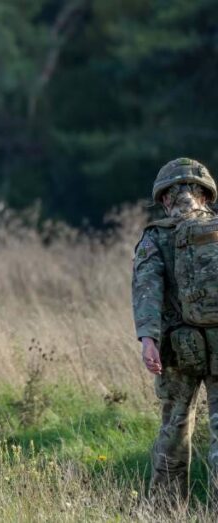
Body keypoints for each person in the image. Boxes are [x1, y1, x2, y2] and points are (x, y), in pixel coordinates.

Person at [132, 157, 218, 501]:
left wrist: (148, 340)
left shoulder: (157, 236)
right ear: (206, 195)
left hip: (178, 350)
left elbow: (147, 290)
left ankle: (166, 510)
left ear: (165, 197)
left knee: (175, 429)